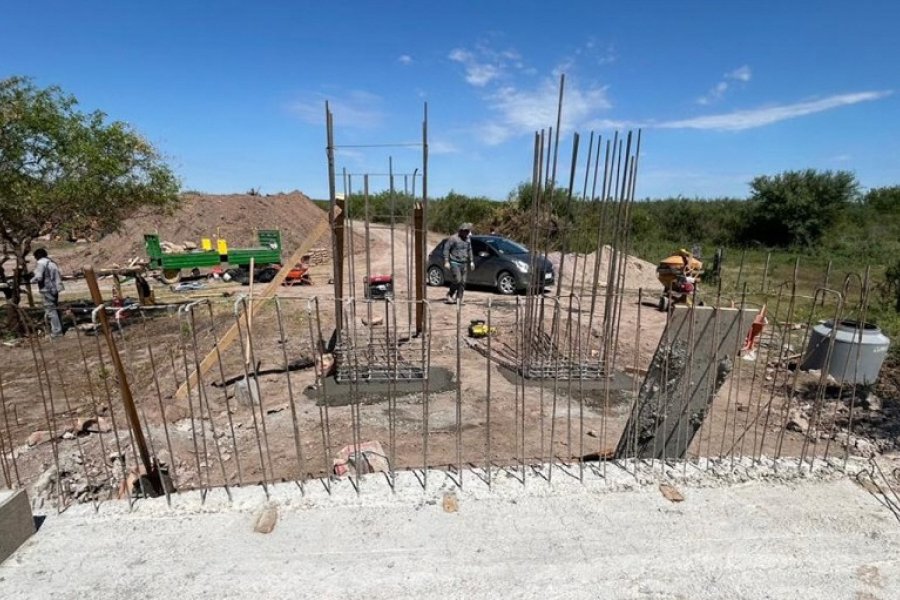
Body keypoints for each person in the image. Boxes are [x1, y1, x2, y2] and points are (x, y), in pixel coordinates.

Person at [31, 248, 65, 337]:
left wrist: (31, 279)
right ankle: (60, 327)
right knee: (55, 308)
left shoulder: (41, 263)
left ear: (37, 256)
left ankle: (57, 332)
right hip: (55, 289)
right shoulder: (52, 263)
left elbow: (39, 277)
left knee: (50, 311)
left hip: (46, 289)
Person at [443, 222, 475, 304]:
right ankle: (450, 294)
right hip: (455, 262)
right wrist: (446, 261)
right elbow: (446, 249)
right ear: (460, 230)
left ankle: (459, 298)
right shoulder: (453, 238)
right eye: (465, 231)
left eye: (468, 231)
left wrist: (471, 261)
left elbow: (469, 250)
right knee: (457, 280)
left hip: (464, 263)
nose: (466, 233)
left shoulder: (468, 239)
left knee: (463, 282)